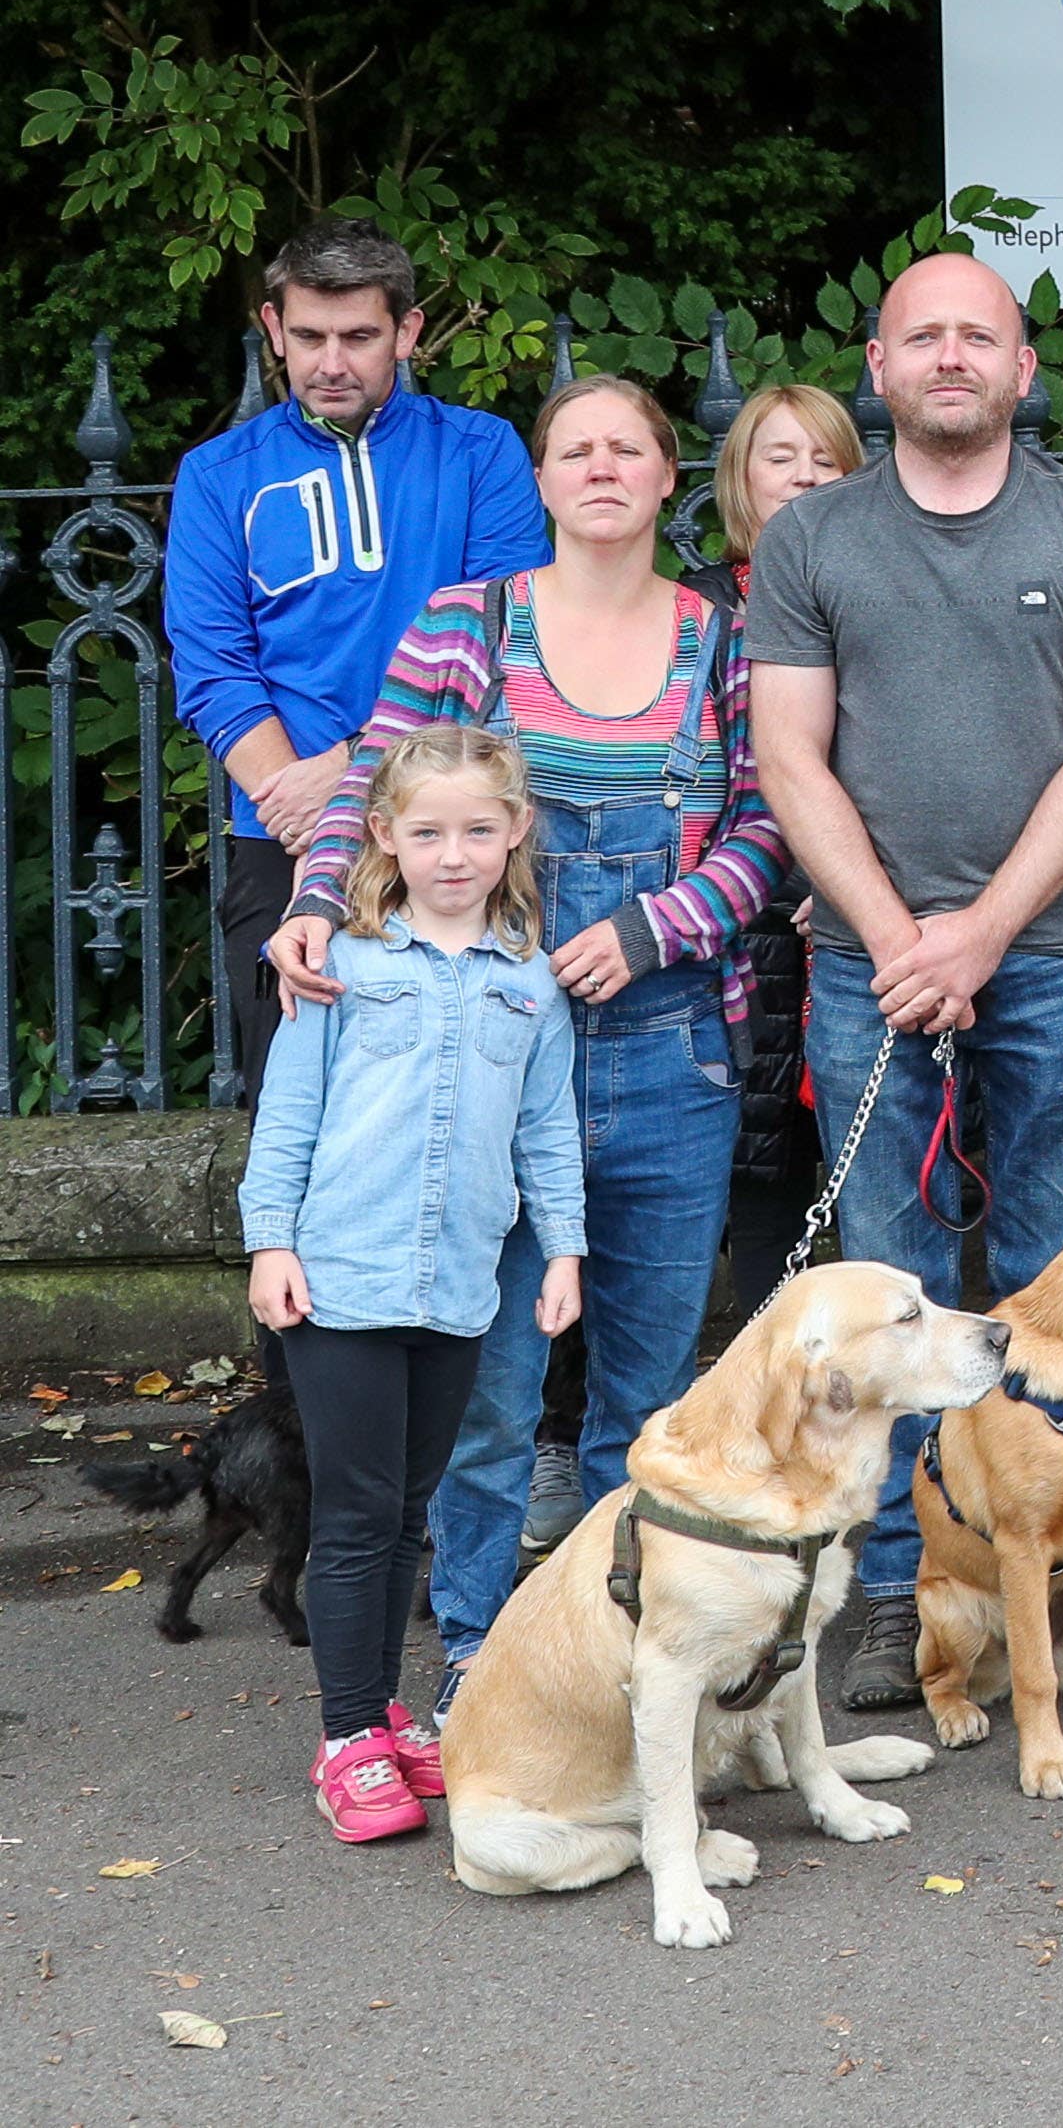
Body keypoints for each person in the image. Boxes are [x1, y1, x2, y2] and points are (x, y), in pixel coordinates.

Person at [267, 375, 788, 1694]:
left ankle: (620, 1666)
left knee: (645, 1399)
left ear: (670, 477)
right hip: (482, 1072)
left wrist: (654, 927)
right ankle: (480, 1672)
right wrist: (316, 907)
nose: (601, 466)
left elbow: (771, 829)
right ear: (543, 481)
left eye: (628, 448)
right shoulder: (467, 623)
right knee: (491, 1398)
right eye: (574, 448)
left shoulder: (723, 639)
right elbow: (375, 785)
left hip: (675, 1060)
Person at [744, 250, 1063, 1711]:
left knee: (1061, 1287)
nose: (949, 357)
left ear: (1022, 366)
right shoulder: (811, 543)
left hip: (1045, 955)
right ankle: (905, 1581)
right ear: (879, 364)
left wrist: (978, 932)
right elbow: (789, 755)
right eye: (922, 335)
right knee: (885, 1292)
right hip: (871, 970)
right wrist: (895, 936)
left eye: (977, 335)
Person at [240, 721, 582, 1841]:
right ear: (383, 833)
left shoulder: (529, 980)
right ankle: (345, 1739)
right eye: (427, 830)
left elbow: (546, 1129)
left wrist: (565, 1247)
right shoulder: (340, 963)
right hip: (339, 1281)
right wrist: (269, 1241)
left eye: (478, 829)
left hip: (458, 1290)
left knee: (405, 1518)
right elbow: (288, 1113)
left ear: (514, 831)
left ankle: (382, 1707)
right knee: (352, 1513)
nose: (453, 853)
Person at [169, 222, 545, 1092]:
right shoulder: (219, 475)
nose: (330, 361)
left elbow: (497, 642)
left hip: (455, 831)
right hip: (280, 835)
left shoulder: (481, 452)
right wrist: (300, 808)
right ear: (273, 328)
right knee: (294, 1105)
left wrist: (345, 777)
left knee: (461, 1107)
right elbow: (213, 667)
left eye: (358, 337)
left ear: (406, 334)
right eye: (308, 336)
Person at [699, 385, 862, 1336]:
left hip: (864, 922)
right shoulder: (701, 611)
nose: (802, 477)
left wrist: (846, 879)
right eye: (779, 457)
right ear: (739, 478)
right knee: (761, 1191)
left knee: (878, 1175)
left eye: (826, 460)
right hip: (741, 934)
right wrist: (797, 878)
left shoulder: (880, 591)